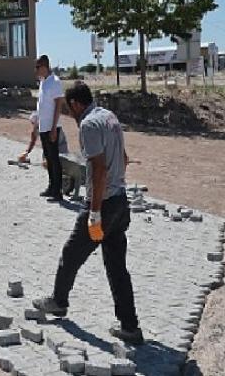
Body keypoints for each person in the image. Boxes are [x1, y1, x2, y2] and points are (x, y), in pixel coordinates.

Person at [32, 82, 144, 345]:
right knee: (117, 268)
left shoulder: (89, 125)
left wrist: (94, 211)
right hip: (120, 203)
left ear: (76, 104)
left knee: (71, 254)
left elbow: (98, 170)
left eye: (70, 110)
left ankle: (58, 302)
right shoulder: (109, 117)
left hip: (102, 206)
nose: (71, 115)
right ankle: (130, 327)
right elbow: (123, 159)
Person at [35, 55, 65, 202]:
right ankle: (51, 186)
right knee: (48, 158)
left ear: (45, 66)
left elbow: (59, 105)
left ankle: (58, 191)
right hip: (43, 126)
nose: (36, 70)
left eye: (38, 67)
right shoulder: (43, 82)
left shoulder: (55, 82)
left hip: (52, 127)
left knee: (54, 158)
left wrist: (54, 128)